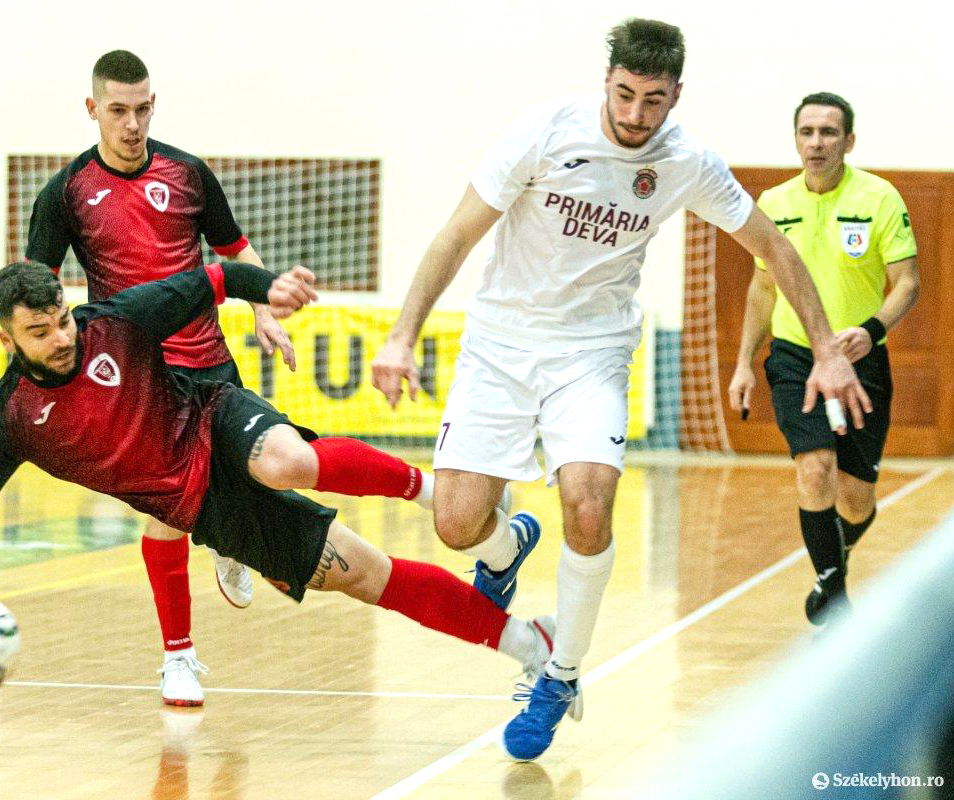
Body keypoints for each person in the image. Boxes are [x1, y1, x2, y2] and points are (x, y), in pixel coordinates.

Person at [370, 18, 871, 762]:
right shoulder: (544, 131)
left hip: (592, 353)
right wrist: (402, 335)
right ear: (606, 81)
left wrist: (826, 347)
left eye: (653, 100)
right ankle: (509, 546)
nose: (637, 114)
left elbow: (774, 246)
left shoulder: (687, 160)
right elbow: (456, 235)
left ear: (677, 95)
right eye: (626, 94)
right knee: (457, 524)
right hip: (501, 345)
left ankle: (561, 672)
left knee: (589, 501)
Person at [0, 261, 552, 696]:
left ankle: (433, 492)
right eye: (41, 332)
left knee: (286, 460)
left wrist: (267, 288)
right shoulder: (10, 421)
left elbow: (210, 282)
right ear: (7, 340)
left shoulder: (115, 323)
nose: (63, 337)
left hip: (215, 421)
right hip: (204, 510)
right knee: (368, 576)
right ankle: (531, 644)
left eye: (62, 320)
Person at [25, 49, 293, 705]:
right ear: (92, 109)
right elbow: (37, 288)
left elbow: (234, 249)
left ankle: (226, 536)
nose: (132, 124)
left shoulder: (189, 174)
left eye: (142, 109)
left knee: (267, 467)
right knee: (167, 509)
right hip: (137, 377)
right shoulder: (65, 194)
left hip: (209, 358)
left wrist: (263, 307)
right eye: (118, 110)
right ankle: (177, 658)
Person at [728, 92, 919, 626]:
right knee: (815, 470)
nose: (816, 143)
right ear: (796, 140)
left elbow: (908, 282)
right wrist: (744, 362)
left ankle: (832, 558)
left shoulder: (879, 198)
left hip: (861, 360)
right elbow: (763, 289)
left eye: (829, 132)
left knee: (856, 500)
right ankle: (834, 596)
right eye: (807, 132)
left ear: (848, 141)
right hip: (796, 356)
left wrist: (872, 331)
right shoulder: (774, 203)